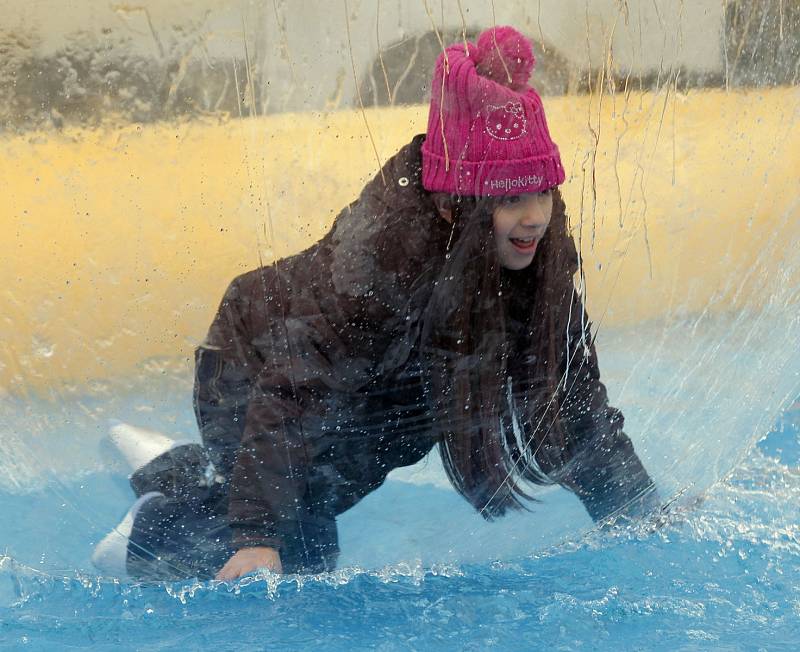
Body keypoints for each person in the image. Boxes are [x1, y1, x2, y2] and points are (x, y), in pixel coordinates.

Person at [92, 26, 659, 582]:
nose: (534, 216)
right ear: (452, 203)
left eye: (542, 190)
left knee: (318, 512)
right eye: (509, 197)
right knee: (297, 558)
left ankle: (171, 469)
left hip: (359, 396)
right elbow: (293, 389)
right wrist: (258, 536)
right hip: (251, 363)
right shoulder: (385, 264)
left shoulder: (536, 259)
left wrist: (640, 510)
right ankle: (148, 534)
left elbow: (573, 397)